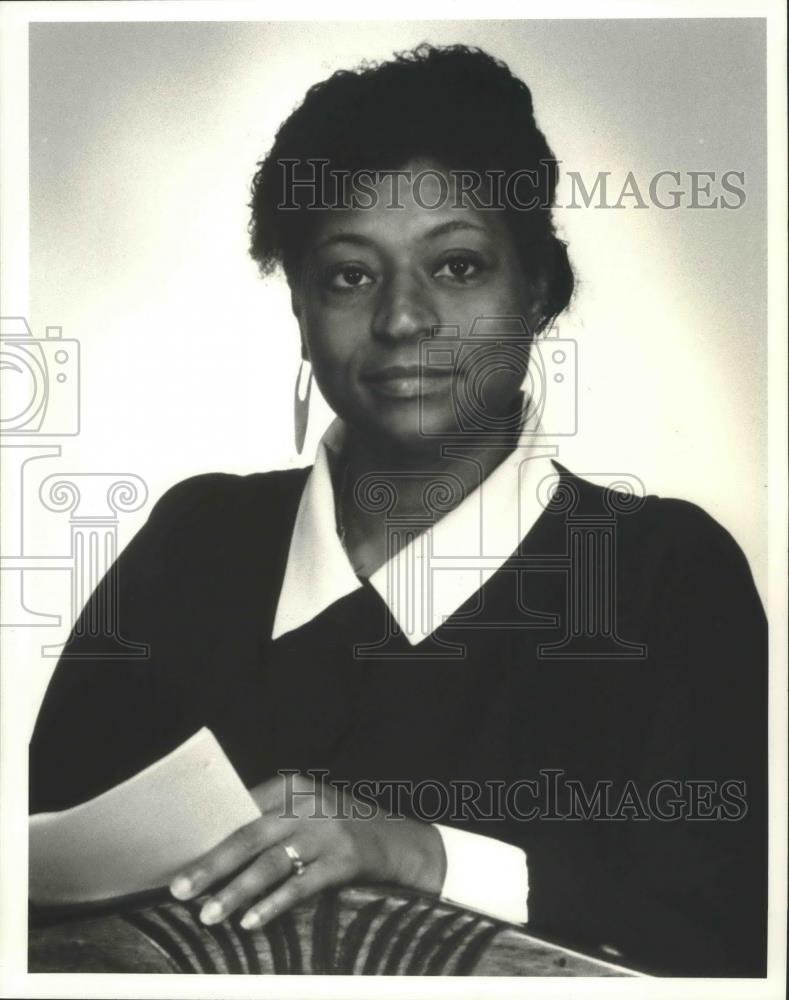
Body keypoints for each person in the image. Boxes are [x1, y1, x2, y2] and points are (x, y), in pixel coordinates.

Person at [29, 44, 767, 977]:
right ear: (296, 302)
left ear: (539, 288)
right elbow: (33, 877)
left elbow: (726, 951)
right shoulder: (194, 544)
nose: (402, 320)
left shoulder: (661, 576)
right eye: (349, 274)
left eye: (456, 266)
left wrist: (424, 852)